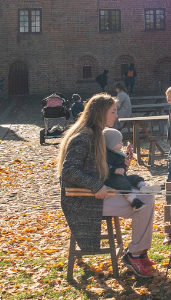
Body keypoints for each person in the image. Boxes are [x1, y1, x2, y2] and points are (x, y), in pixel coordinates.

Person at [57, 94, 156, 277]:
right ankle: (134, 254)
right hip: (84, 200)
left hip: (96, 193)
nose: (116, 115)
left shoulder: (94, 134)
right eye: (113, 111)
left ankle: (139, 252)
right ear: (101, 113)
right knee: (145, 203)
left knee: (148, 195)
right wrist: (95, 185)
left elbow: (101, 170)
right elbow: (69, 171)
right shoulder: (84, 137)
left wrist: (122, 166)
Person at [102, 128, 155, 209]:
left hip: (122, 176)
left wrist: (128, 153)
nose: (121, 144)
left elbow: (121, 161)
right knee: (123, 184)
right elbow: (104, 167)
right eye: (119, 142)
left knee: (135, 178)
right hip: (112, 179)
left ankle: (143, 187)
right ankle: (133, 200)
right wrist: (114, 170)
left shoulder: (117, 153)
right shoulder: (108, 155)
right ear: (112, 144)